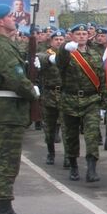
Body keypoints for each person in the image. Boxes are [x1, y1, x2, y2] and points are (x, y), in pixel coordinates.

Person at [0, 4, 39, 214]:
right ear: (0, 22)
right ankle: (3, 213)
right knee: (7, 162)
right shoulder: (3, 47)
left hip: (5, 111)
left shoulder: (7, 44)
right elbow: (14, 77)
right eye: (9, 16)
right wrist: (32, 91)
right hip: (7, 113)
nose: (14, 19)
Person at [55, 23, 106, 183]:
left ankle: (92, 169)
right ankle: (73, 166)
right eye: (78, 34)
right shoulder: (67, 53)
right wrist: (65, 47)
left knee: (91, 135)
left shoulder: (95, 54)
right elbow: (59, 61)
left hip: (91, 100)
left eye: (84, 33)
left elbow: (102, 78)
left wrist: (104, 102)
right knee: (70, 136)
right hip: (69, 100)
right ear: (72, 35)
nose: (82, 36)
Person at [37, 29, 66, 165]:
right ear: (51, 41)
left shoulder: (69, 54)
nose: (59, 42)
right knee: (48, 127)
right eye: (56, 40)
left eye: (61, 39)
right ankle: (51, 152)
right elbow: (41, 58)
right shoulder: (45, 54)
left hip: (65, 94)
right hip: (49, 94)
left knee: (67, 127)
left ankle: (68, 156)